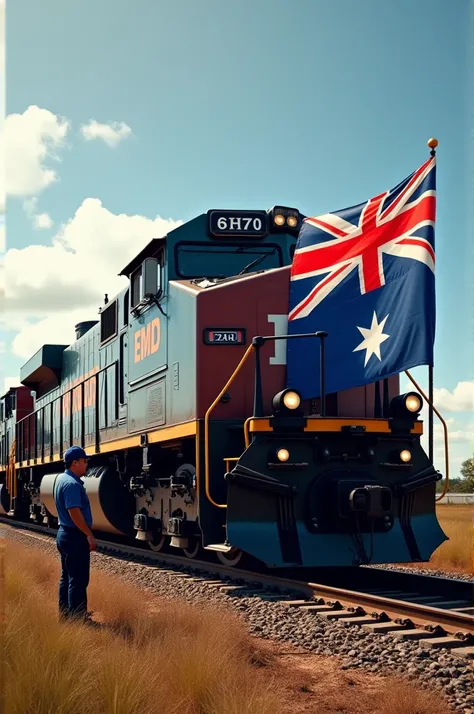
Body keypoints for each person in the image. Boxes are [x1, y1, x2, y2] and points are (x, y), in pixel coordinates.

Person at [54, 445, 98, 625]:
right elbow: (74, 511)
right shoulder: (72, 484)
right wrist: (88, 534)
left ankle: (65, 616)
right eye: (84, 461)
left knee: (67, 577)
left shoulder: (62, 480)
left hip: (64, 534)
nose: (86, 465)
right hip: (74, 536)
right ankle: (78, 620)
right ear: (75, 463)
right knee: (78, 580)